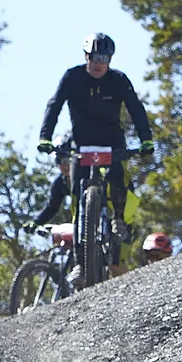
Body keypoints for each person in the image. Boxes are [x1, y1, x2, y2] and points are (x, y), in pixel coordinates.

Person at [37, 32, 154, 242]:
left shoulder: (118, 79)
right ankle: (80, 259)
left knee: (118, 176)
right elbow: (54, 105)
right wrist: (45, 137)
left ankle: (118, 217)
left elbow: (135, 108)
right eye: (95, 58)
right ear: (86, 56)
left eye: (105, 59)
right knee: (75, 191)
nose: (100, 64)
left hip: (111, 140)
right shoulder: (72, 77)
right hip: (82, 141)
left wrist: (146, 139)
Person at [31, 135, 73, 227]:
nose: (65, 166)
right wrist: (37, 222)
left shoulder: (88, 172)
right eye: (60, 162)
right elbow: (52, 207)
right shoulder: (60, 183)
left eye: (67, 161)